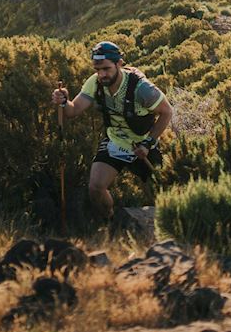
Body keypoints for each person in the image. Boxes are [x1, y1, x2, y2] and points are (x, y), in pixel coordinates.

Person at [51, 41, 173, 220]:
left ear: (119, 64)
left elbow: (167, 112)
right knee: (95, 188)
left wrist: (148, 142)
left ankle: (160, 226)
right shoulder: (95, 83)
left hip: (144, 144)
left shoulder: (142, 89)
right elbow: (73, 111)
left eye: (106, 69)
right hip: (115, 141)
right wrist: (63, 101)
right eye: (97, 69)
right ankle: (110, 222)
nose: (101, 74)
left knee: (161, 192)